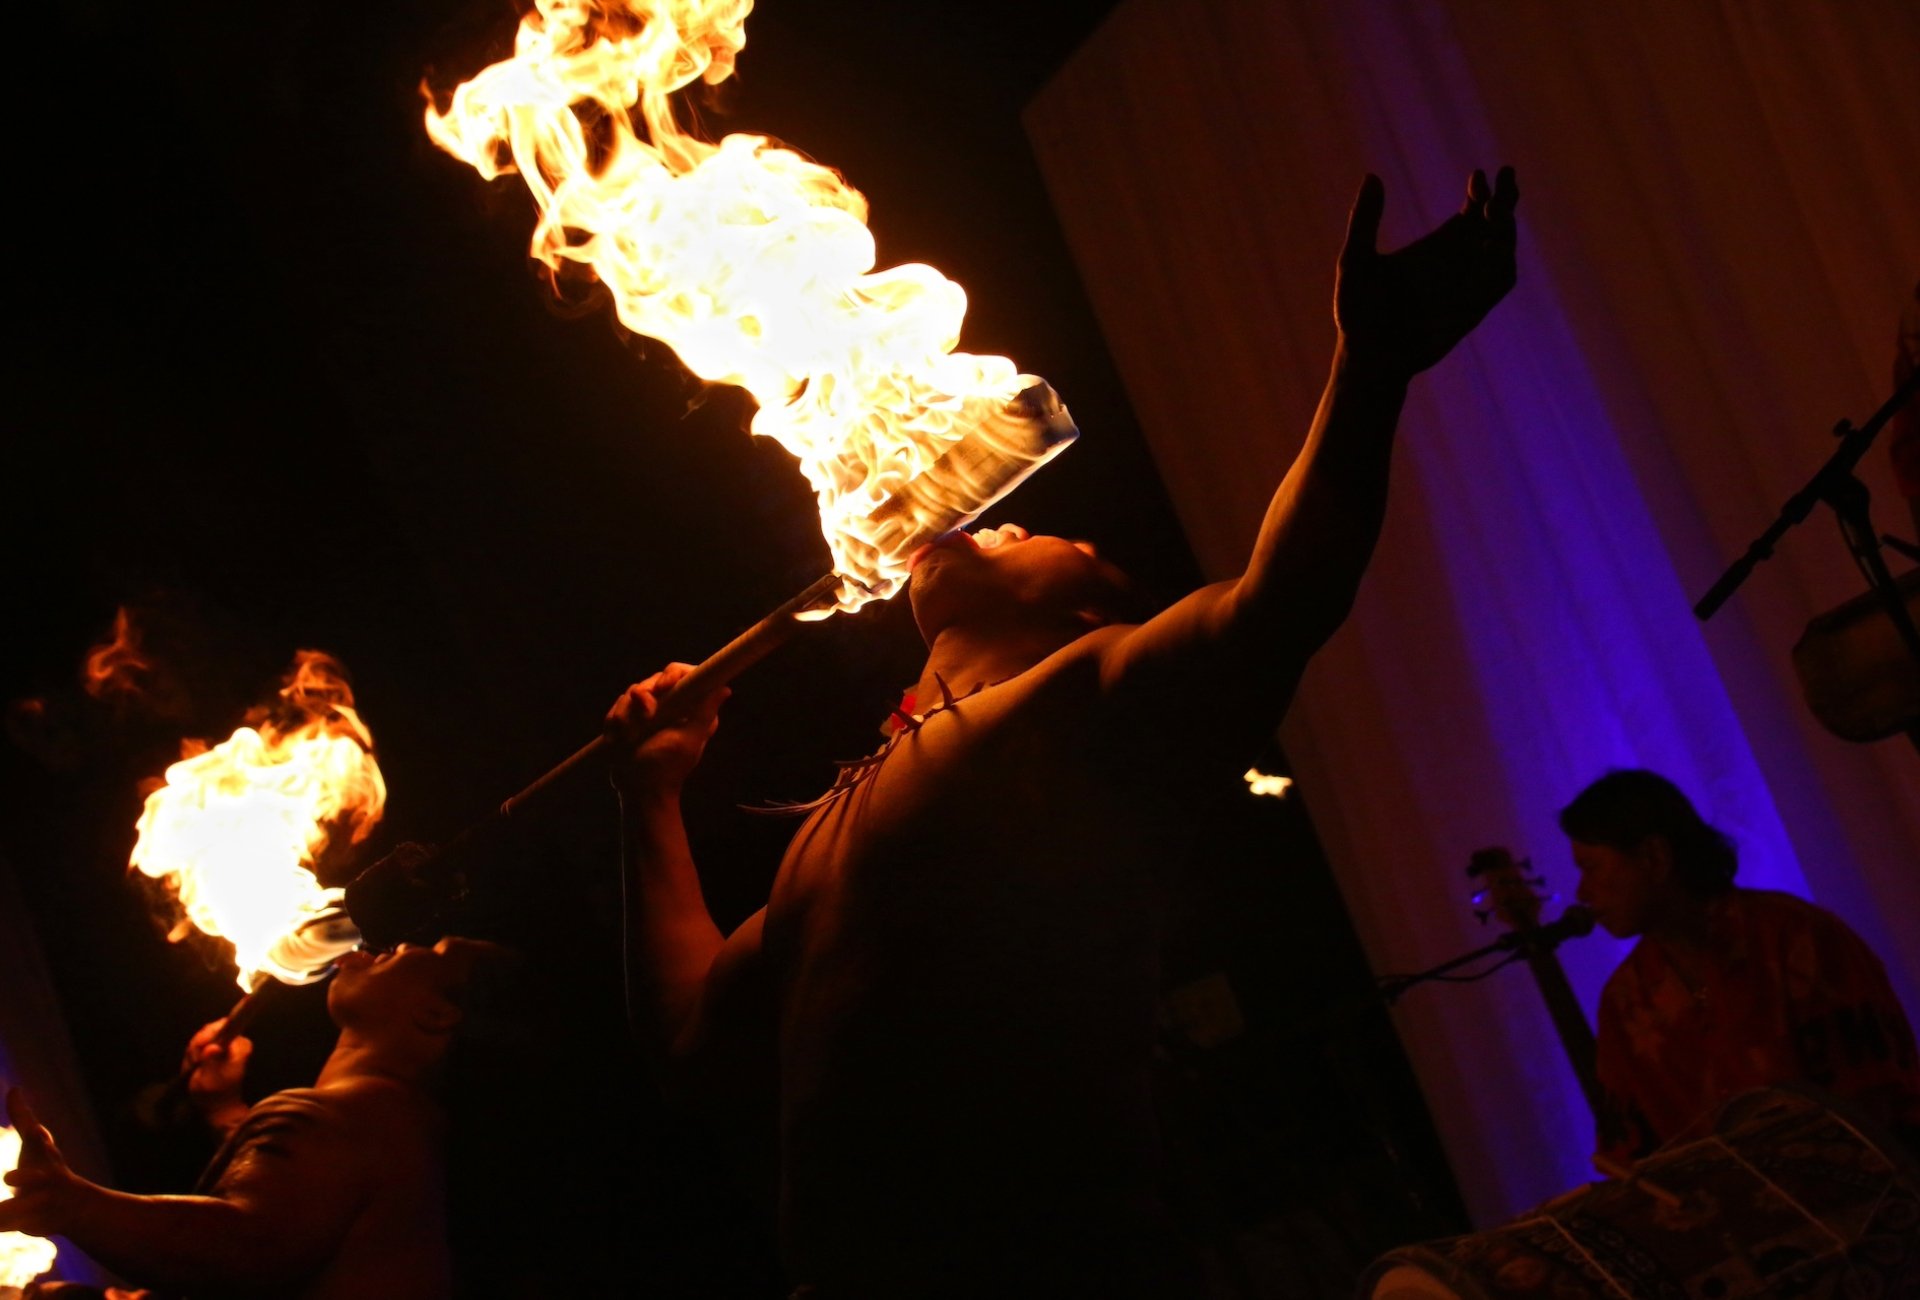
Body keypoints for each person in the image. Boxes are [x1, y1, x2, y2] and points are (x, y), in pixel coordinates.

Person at [608, 167, 1521, 1296]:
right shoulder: (838, 816)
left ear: (1088, 612)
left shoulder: (1075, 711)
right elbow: (697, 1045)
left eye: (1042, 532)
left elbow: (1281, 598)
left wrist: (1369, 370)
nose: (1009, 518)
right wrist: (649, 797)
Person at [1, 937, 508, 1299]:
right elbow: (296, 1209)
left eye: (423, 953)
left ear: (438, 1015)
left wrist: (73, 1205)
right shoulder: (397, 1127)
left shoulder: (351, 1120)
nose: (384, 947)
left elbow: (241, 1246)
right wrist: (224, 1110)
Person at [1562, 769, 1920, 1166]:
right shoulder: (1624, 1000)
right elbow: (1632, 1154)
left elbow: (1878, 1096)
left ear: (1654, 857)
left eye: (1591, 867)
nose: (1582, 892)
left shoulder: (1797, 937)